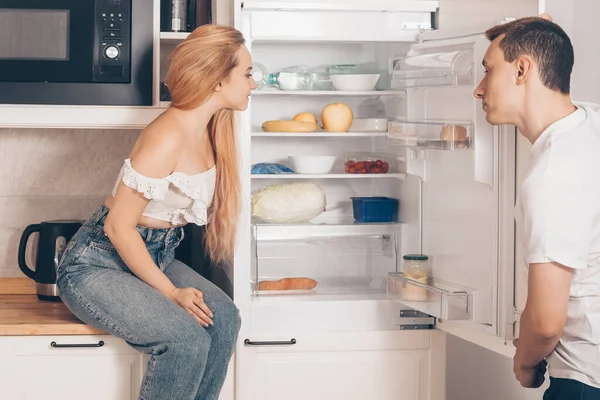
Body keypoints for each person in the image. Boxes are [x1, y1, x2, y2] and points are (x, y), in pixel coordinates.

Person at [56, 24, 257, 400]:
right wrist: (172, 293)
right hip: (96, 264)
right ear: (216, 81)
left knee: (224, 319)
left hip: (156, 253)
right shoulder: (167, 136)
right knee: (183, 341)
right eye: (247, 73)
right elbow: (118, 228)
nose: (253, 83)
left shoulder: (210, 130)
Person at [474, 14, 600, 399]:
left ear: (522, 70)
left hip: (583, 380)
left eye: (488, 70)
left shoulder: (551, 175)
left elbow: (546, 323)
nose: (478, 90)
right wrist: (541, 29)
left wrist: (525, 363)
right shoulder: (590, 123)